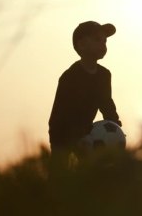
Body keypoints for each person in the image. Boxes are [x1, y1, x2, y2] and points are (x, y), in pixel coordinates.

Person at [48, 21, 122, 166]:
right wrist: (74, 137)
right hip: (62, 133)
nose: (103, 45)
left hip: (88, 132)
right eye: (97, 40)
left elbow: (106, 103)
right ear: (82, 45)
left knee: (88, 173)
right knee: (59, 173)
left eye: (105, 41)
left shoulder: (104, 75)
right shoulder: (70, 76)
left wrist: (115, 126)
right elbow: (63, 112)